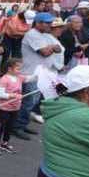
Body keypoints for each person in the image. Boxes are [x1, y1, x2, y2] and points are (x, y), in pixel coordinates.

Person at [15, 12, 63, 140]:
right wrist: (53, 47)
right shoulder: (32, 34)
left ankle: (22, 124)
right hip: (31, 74)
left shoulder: (43, 35)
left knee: (32, 102)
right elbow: (45, 52)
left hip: (39, 74)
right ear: (38, 23)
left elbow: (56, 48)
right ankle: (17, 127)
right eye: (47, 23)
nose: (50, 25)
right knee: (28, 102)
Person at [0, 58, 24, 154]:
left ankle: (5, 142)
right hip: (4, 108)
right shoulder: (4, 79)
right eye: (17, 68)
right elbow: (0, 94)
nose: (20, 71)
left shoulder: (19, 77)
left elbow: (31, 78)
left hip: (15, 108)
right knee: (1, 126)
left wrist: (40, 73)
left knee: (10, 126)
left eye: (20, 69)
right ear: (9, 69)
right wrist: (13, 95)